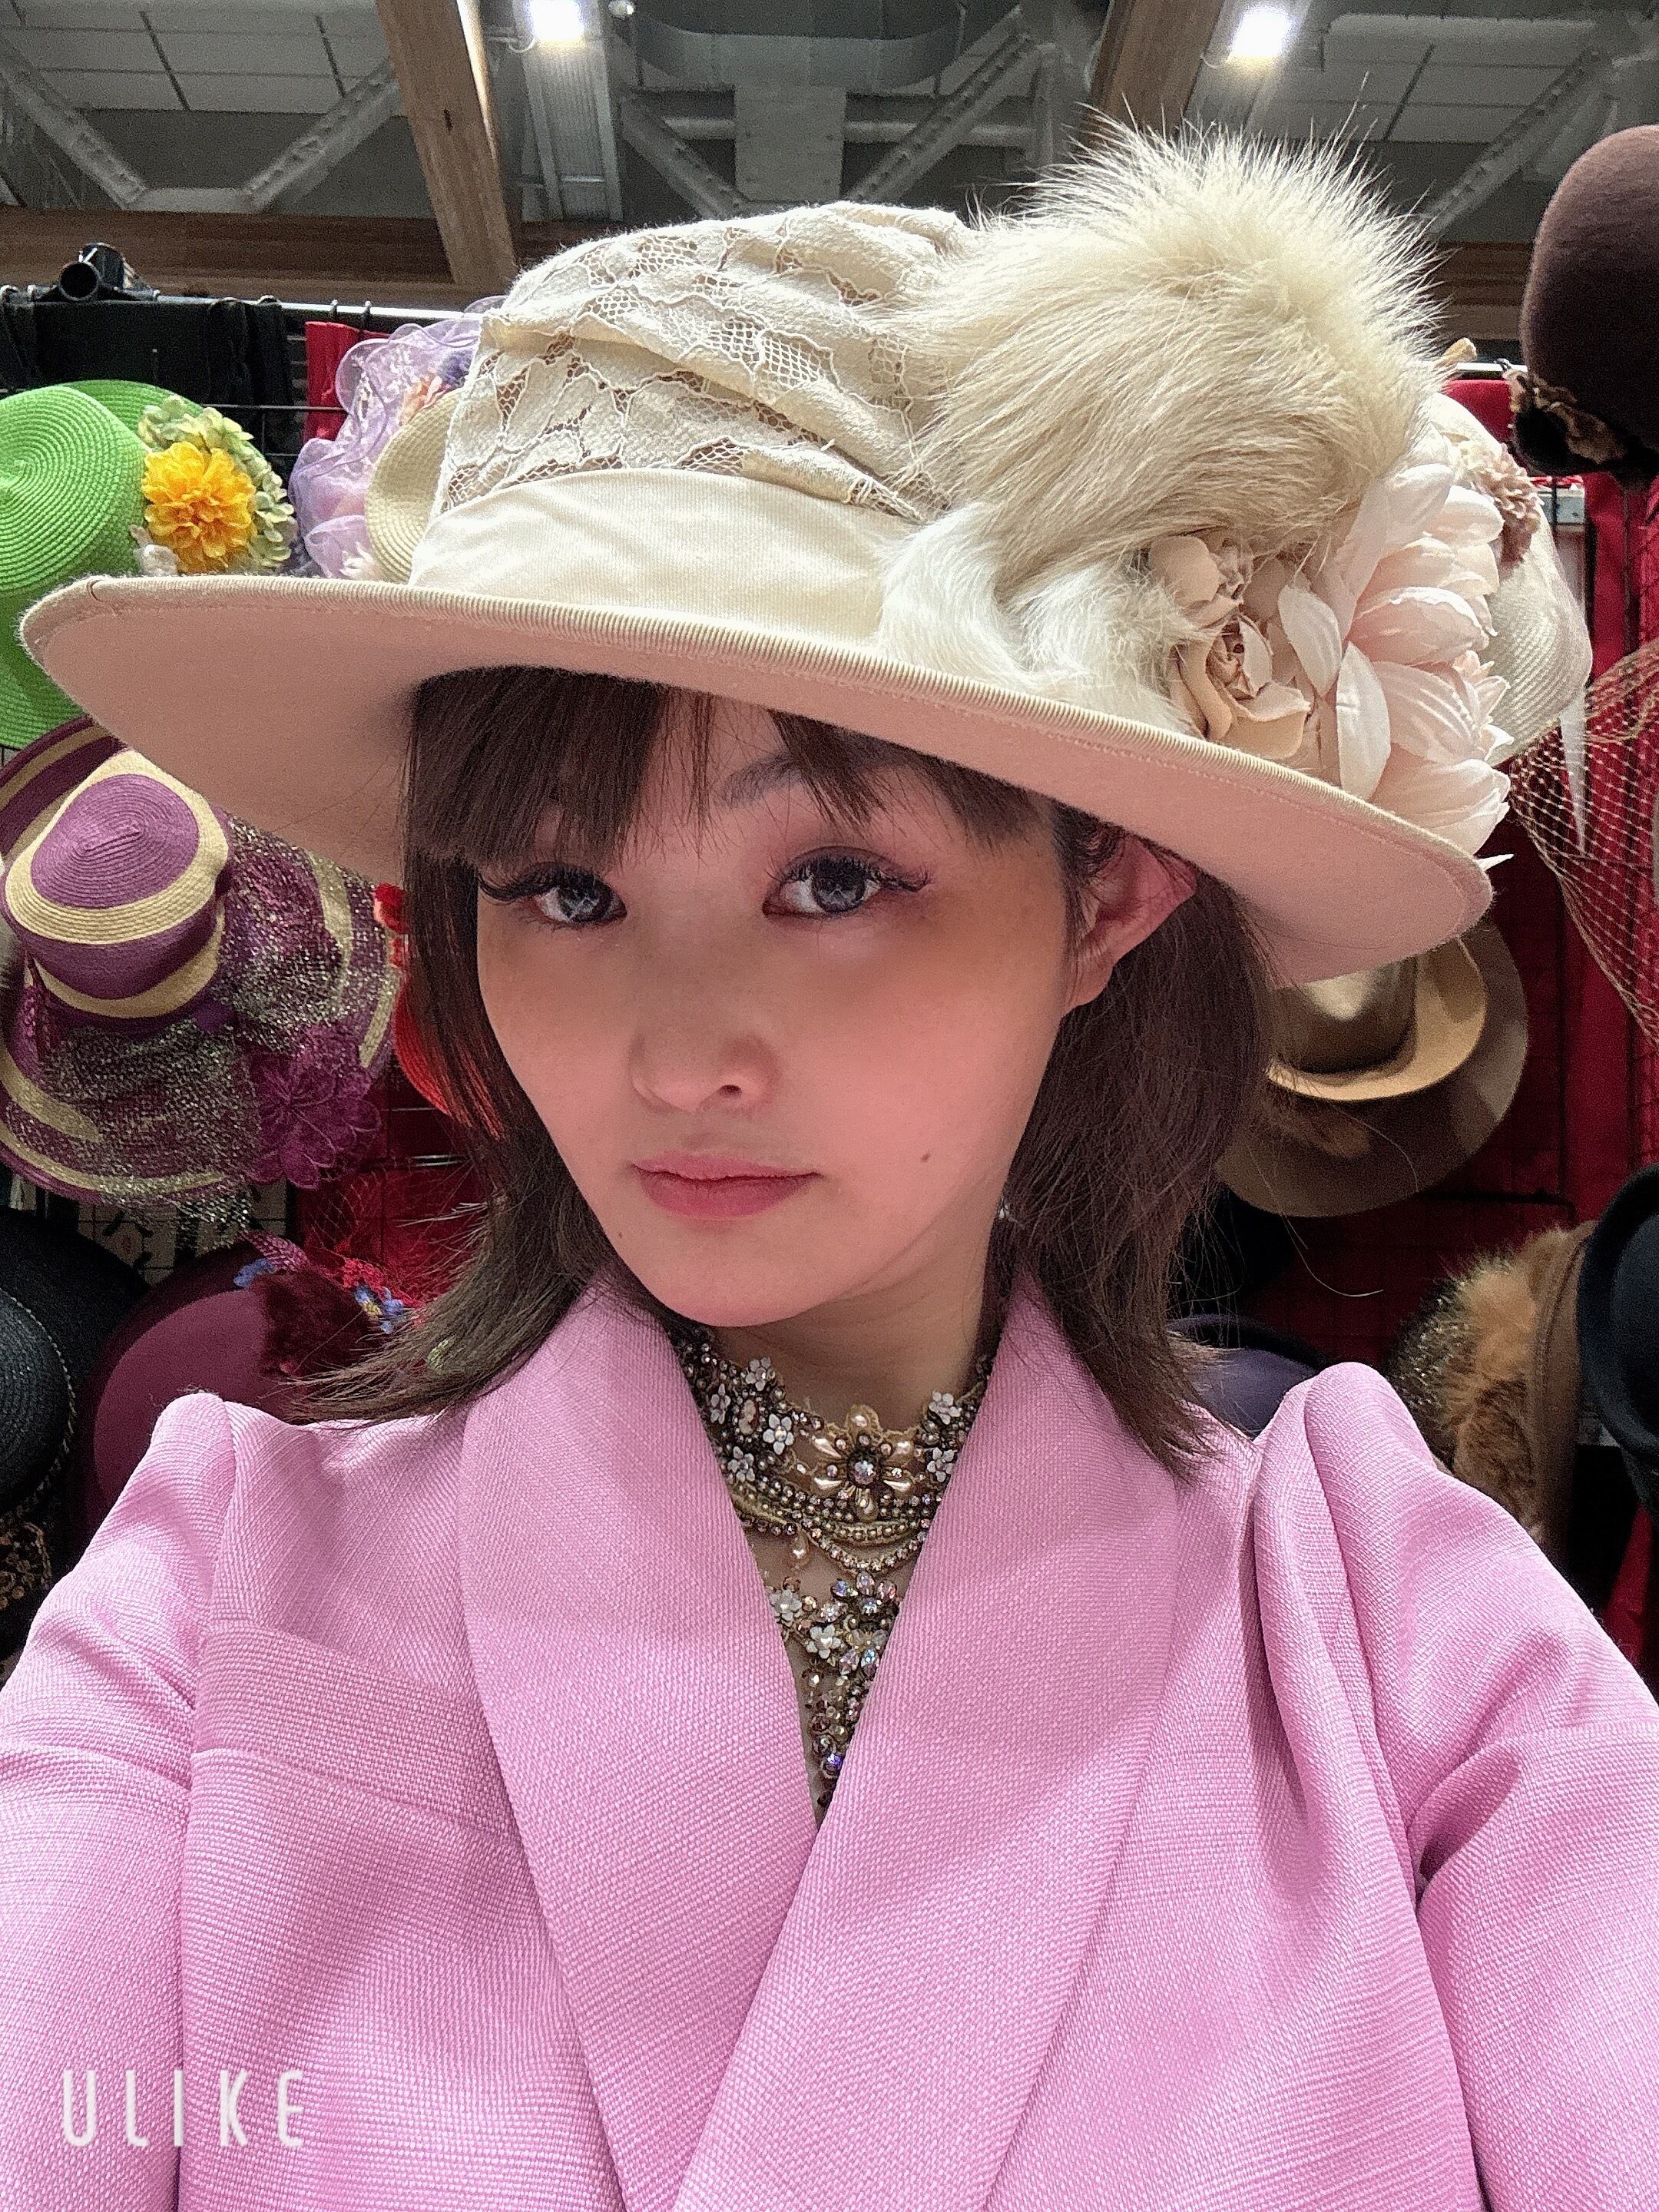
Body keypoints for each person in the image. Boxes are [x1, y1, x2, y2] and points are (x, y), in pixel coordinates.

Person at [2, 129, 1654, 2211]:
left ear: (1108, 896)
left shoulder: (1392, 1633)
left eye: (837, 878)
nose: (679, 1054)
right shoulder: (217, 1593)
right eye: (565, 891)